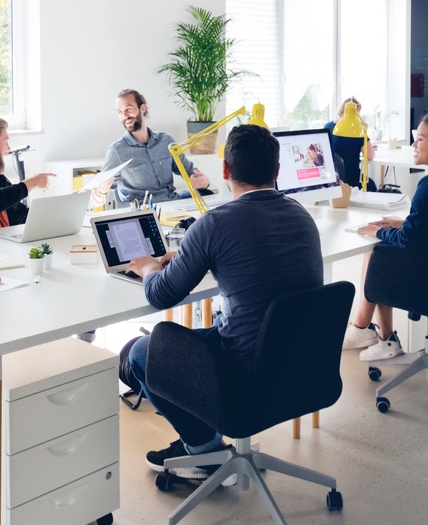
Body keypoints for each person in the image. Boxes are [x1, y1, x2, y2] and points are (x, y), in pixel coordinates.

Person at [125, 124, 323, 479]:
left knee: (141, 350)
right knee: (206, 331)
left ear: (226, 171)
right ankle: (202, 445)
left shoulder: (215, 224)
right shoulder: (302, 216)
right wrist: (195, 256)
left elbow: (160, 295)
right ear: (276, 171)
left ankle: (203, 451)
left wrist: (151, 267)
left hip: (244, 373)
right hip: (301, 366)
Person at [343, 99, 428, 361]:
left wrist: (379, 232)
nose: (413, 145)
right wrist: (402, 223)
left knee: (378, 252)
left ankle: (375, 334)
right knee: (383, 245)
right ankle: (370, 332)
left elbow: (409, 240)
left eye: (419, 139)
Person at [103, 89, 211, 206]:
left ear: (142, 108)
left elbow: (189, 171)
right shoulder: (116, 151)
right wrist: (99, 195)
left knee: (208, 195)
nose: (124, 116)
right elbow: (102, 191)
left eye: (128, 109)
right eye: (120, 112)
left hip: (172, 203)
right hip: (143, 211)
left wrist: (204, 181)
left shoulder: (165, 141)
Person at [324, 96, 377, 191]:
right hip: (352, 178)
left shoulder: (328, 127)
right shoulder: (357, 130)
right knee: (372, 186)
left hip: (332, 178)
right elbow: (370, 156)